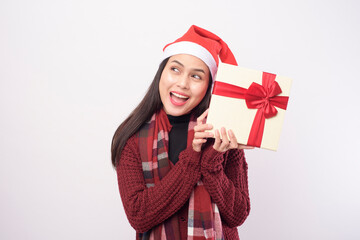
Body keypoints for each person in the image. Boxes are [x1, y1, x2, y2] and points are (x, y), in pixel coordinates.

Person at [111, 25, 252, 240]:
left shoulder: (222, 134)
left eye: (196, 76)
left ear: (208, 86)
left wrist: (211, 161)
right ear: (161, 73)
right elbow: (138, 215)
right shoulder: (131, 137)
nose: (182, 83)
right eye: (175, 69)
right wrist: (193, 157)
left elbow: (237, 215)